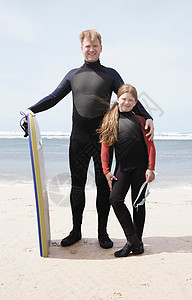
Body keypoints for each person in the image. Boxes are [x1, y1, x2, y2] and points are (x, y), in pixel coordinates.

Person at [23, 29, 154, 249]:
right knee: (77, 186)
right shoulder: (73, 75)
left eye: (95, 46)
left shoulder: (110, 74)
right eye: (87, 46)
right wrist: (30, 109)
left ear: (101, 48)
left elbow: (127, 96)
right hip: (78, 140)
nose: (91, 50)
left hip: (104, 139)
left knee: (104, 187)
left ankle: (102, 233)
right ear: (81, 49)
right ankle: (76, 230)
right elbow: (54, 98)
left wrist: (147, 116)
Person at [99, 84, 156, 257]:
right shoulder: (110, 120)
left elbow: (151, 146)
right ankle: (133, 239)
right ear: (117, 99)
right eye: (124, 99)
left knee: (138, 204)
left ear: (135, 102)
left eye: (131, 100)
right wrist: (106, 171)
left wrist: (151, 168)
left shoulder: (140, 120)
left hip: (141, 170)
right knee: (115, 199)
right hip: (122, 169)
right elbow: (105, 148)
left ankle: (136, 243)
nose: (127, 102)